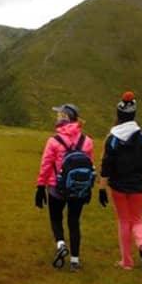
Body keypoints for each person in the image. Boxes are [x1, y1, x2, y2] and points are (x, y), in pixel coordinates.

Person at [99, 91, 142, 271]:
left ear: (119, 115)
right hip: (139, 185)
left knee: (124, 221)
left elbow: (106, 165)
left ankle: (127, 261)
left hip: (118, 186)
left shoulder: (113, 139)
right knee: (138, 220)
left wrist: (102, 187)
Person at [35, 104, 94, 272]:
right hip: (79, 189)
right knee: (74, 222)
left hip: (56, 188)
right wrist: (89, 189)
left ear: (64, 118)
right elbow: (91, 166)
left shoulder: (54, 141)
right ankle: (75, 260)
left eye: (59, 114)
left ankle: (61, 245)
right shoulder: (87, 141)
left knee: (56, 218)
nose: (57, 117)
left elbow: (46, 165)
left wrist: (40, 186)